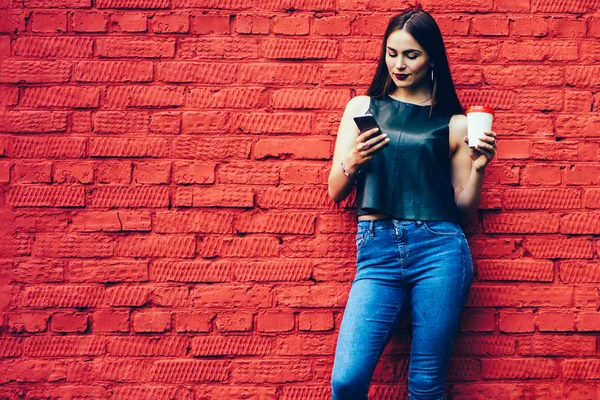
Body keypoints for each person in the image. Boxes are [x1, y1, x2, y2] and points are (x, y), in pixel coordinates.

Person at [328, 8, 497, 400]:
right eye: (392, 53)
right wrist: (353, 161)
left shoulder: (453, 123)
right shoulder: (361, 108)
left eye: (411, 55)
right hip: (376, 253)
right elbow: (335, 190)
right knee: (347, 380)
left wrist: (480, 169)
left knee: (424, 385)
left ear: (431, 58)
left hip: (438, 248)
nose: (398, 64)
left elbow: (464, 211)